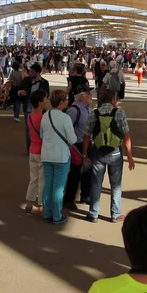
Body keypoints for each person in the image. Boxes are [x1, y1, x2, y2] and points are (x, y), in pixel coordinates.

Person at [83, 88, 135, 223]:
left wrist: (84, 154)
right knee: (116, 184)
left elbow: (86, 136)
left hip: (98, 152)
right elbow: (126, 135)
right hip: (116, 152)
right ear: (113, 100)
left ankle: (93, 213)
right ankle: (115, 214)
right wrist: (130, 155)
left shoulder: (94, 114)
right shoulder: (120, 113)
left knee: (95, 183)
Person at [41, 90, 77, 225]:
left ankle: (47, 212)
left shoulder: (46, 116)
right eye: (66, 100)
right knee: (58, 188)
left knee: (48, 185)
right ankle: (57, 215)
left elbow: (41, 134)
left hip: (46, 154)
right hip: (61, 156)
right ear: (61, 102)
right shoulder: (65, 118)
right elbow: (72, 139)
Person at [63, 85, 93, 209]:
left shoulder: (87, 108)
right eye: (88, 94)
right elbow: (67, 128)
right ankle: (69, 199)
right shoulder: (74, 110)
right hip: (77, 145)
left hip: (86, 142)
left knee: (88, 170)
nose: (91, 96)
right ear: (81, 97)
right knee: (75, 173)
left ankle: (85, 195)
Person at [25, 90, 48, 213]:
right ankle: (41, 205)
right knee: (42, 179)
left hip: (32, 150)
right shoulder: (43, 118)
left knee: (33, 178)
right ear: (40, 103)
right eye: (45, 99)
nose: (47, 101)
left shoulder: (29, 116)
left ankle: (29, 203)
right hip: (41, 151)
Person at [19, 63, 50, 152]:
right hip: (28, 106)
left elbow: (47, 95)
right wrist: (20, 93)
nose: (30, 73)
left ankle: (41, 146)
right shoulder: (26, 80)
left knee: (42, 127)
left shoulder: (44, 83)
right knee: (29, 127)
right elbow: (19, 90)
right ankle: (30, 148)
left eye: (32, 72)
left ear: (38, 73)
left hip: (40, 108)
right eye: (30, 71)